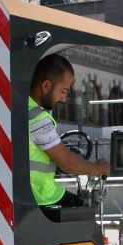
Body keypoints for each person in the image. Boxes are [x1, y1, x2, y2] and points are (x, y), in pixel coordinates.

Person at [28, 54, 109, 208]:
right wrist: (97, 169)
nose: (64, 99)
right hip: (41, 197)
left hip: (25, 196)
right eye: (63, 91)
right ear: (46, 86)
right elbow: (67, 162)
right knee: (83, 213)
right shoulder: (37, 118)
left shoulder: (19, 107)